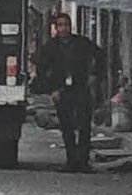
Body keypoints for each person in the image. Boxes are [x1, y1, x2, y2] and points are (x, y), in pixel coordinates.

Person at [34, 13, 103, 173]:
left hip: (80, 88)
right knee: (67, 127)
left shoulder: (81, 43)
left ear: (70, 26)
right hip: (61, 90)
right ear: (56, 28)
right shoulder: (50, 47)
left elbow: (99, 55)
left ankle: (83, 162)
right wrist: (51, 90)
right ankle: (71, 161)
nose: (63, 28)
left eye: (66, 24)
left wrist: (95, 76)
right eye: (60, 25)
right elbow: (42, 69)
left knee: (84, 125)